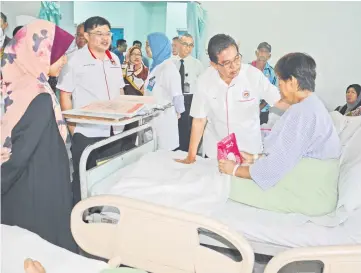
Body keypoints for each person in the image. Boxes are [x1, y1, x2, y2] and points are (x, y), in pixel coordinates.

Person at [1, 19, 77, 252]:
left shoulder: (14, 84)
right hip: (36, 189)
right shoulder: (38, 96)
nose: (64, 60)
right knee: (42, 251)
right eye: (59, 54)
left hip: (25, 186)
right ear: (38, 53)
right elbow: (19, 155)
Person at [218, 53, 341, 190]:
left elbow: (275, 167)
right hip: (313, 181)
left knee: (224, 185)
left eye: (280, 82)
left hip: (311, 188)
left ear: (292, 81)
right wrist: (254, 158)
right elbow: (288, 153)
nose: (278, 88)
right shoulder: (311, 104)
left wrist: (235, 170)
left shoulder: (302, 112)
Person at [176, 34, 287, 163]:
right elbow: (199, 120)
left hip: (248, 152)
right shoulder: (204, 81)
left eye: (236, 59)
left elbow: (278, 101)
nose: (234, 66)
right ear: (214, 64)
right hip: (216, 154)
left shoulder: (253, 75)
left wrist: (303, 106)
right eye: (227, 63)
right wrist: (191, 156)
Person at [57, 16, 130, 205]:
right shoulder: (74, 61)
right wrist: (74, 129)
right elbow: (65, 95)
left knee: (109, 177)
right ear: (87, 36)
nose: (105, 38)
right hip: (87, 132)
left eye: (108, 34)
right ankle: (78, 218)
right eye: (99, 34)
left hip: (115, 130)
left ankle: (103, 215)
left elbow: (120, 91)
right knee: (84, 179)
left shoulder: (114, 59)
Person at [145, 32, 185, 151]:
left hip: (164, 117)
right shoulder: (155, 66)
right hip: (151, 116)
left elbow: (177, 94)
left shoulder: (168, 68)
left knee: (163, 154)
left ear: (158, 46)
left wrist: (178, 112)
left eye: (148, 45)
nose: (145, 48)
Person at [173, 33, 204, 152]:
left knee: (187, 132)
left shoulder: (197, 64)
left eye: (191, 45)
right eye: (186, 44)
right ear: (179, 45)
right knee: (174, 130)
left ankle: (186, 154)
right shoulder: (171, 63)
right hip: (174, 100)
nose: (188, 48)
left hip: (190, 101)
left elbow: (202, 87)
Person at [250, 42, 278, 124]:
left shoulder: (272, 72)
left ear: (269, 56)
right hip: (247, 110)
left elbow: (271, 93)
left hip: (263, 111)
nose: (263, 54)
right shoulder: (247, 69)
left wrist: (259, 107)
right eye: (261, 51)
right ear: (256, 53)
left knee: (261, 134)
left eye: (266, 52)